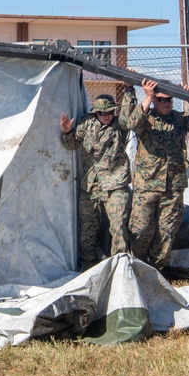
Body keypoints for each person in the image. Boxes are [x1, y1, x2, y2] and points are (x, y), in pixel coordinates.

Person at [122, 79, 189, 271]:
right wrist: (147, 96)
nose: (165, 103)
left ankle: (158, 271)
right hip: (147, 185)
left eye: (169, 100)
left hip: (173, 186)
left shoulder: (179, 119)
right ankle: (139, 268)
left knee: (167, 232)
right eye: (160, 99)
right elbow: (130, 123)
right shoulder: (145, 117)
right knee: (141, 230)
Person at [60, 92, 133, 270]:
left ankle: (120, 265)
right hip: (91, 184)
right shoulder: (86, 123)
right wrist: (67, 132)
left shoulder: (120, 125)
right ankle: (89, 265)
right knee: (87, 228)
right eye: (102, 113)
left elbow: (128, 113)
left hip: (115, 183)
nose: (106, 116)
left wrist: (129, 89)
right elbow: (71, 145)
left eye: (110, 112)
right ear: (96, 113)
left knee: (118, 225)